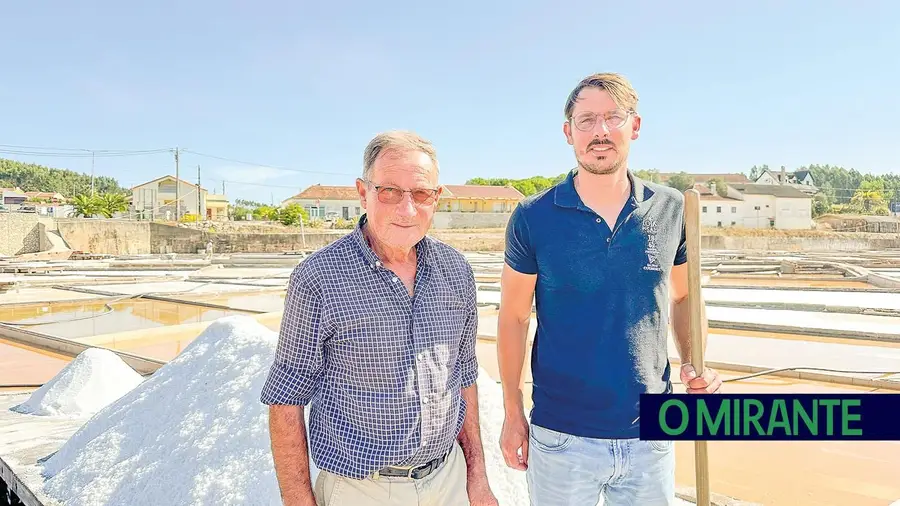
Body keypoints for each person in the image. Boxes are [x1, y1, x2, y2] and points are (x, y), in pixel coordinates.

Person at [496, 72, 723, 505]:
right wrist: (512, 410)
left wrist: (697, 363)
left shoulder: (671, 207)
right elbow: (514, 317)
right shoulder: (533, 216)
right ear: (568, 132)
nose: (600, 131)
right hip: (561, 436)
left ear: (634, 126)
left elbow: (683, 297)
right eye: (586, 120)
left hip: (652, 433)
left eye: (612, 118)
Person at [260, 130, 498, 506]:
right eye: (389, 191)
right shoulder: (319, 278)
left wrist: (477, 478)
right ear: (363, 192)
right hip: (362, 490)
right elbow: (286, 398)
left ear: (436, 197)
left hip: (448, 479)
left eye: (421, 194)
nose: (407, 210)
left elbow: (464, 376)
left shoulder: (456, 270)